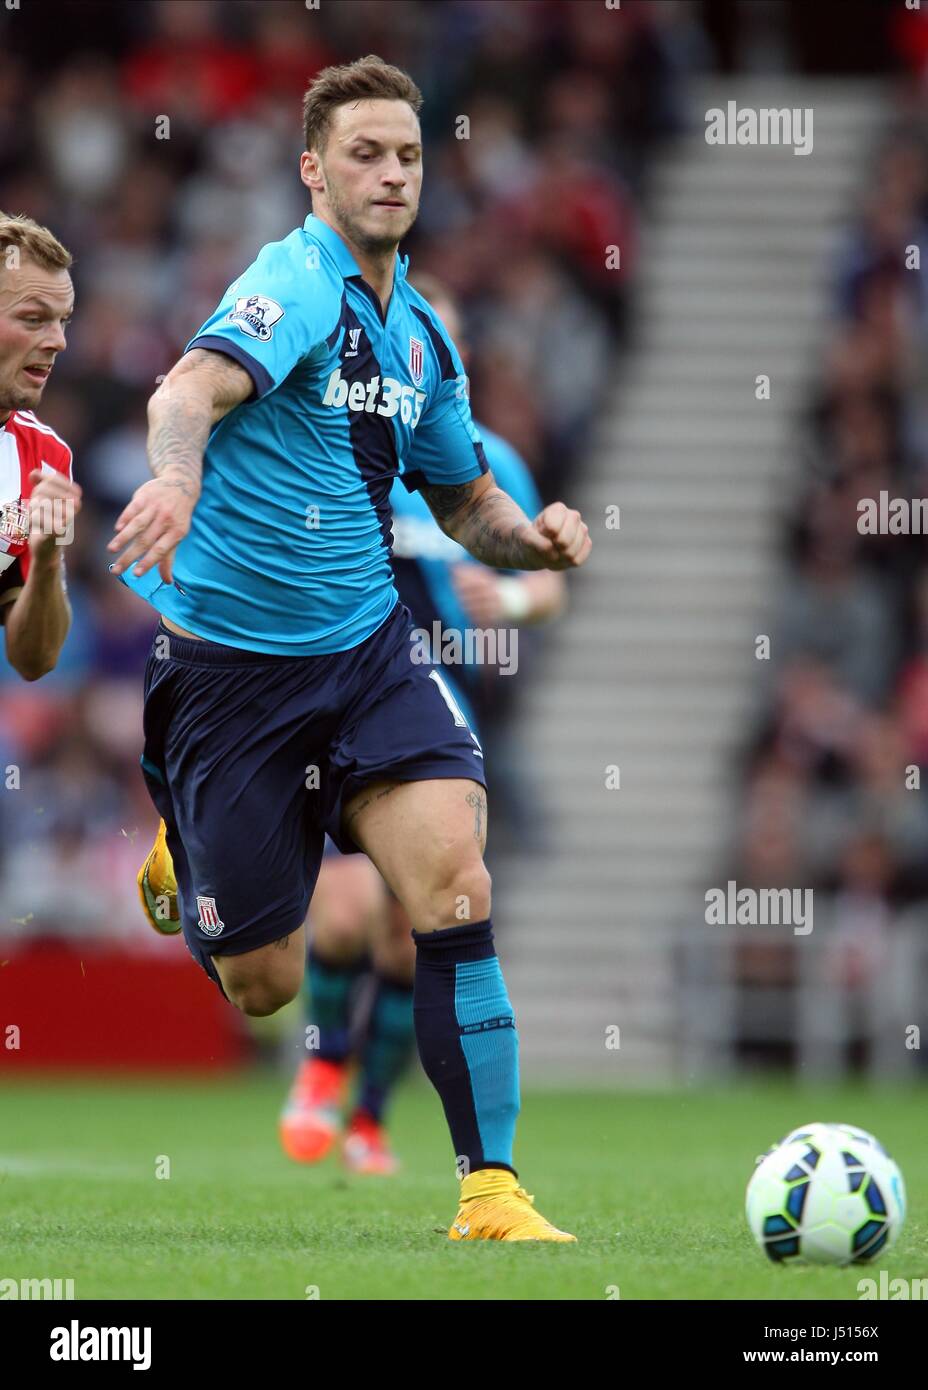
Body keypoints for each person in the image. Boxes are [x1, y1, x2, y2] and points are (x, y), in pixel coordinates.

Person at [109, 55, 590, 1242]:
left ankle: (490, 1189)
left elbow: (466, 499)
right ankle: (185, 836)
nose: (391, 173)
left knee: (454, 884)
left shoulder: (421, 332)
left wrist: (534, 541)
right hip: (231, 674)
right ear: (314, 171)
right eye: (365, 154)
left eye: (410, 155)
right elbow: (186, 389)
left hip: (370, 651)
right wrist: (175, 479)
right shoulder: (295, 281)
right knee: (266, 984)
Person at [279, 273, 566, 1176]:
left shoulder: (491, 465)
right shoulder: (342, 454)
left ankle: (369, 1115)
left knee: (415, 931)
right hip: (347, 699)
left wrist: (511, 595)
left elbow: (549, 586)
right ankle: (323, 1065)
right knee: (343, 912)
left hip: (445, 708)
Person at [0, 214, 82, 680]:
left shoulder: (46, 459)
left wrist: (48, 553)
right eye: (33, 319)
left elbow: (35, 659)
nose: (59, 341)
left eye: (62, 321)